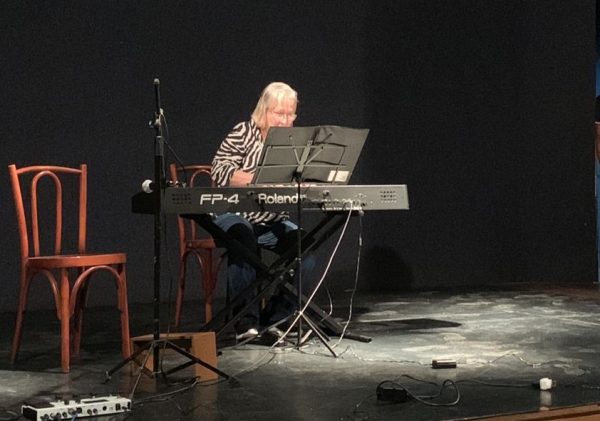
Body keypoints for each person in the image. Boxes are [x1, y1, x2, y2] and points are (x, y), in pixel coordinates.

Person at [211, 82, 316, 340]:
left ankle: (275, 319)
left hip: (271, 220)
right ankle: (245, 322)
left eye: (290, 114)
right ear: (264, 110)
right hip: (234, 215)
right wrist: (261, 179)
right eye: (279, 113)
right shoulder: (244, 132)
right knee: (243, 236)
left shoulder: (292, 143)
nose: (285, 120)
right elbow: (220, 170)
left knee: (306, 248)